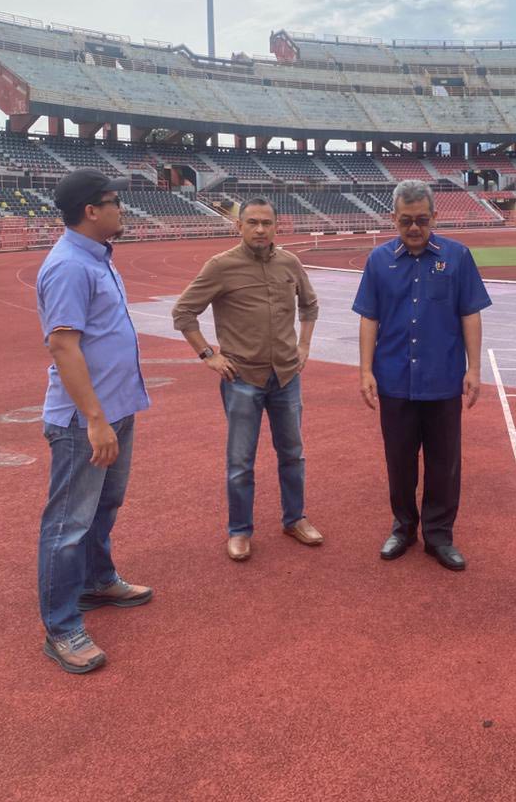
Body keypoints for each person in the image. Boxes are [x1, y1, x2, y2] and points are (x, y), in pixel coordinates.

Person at [36, 169, 152, 675]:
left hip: (115, 409)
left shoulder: (98, 257)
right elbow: (64, 345)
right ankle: (62, 627)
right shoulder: (67, 267)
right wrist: (95, 420)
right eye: (114, 201)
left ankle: (95, 580)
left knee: (106, 502)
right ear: (91, 210)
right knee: (67, 523)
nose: (121, 208)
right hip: (86, 421)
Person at [352, 180, 492, 571]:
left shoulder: (458, 257)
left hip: (443, 378)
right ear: (393, 218)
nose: (414, 228)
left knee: (443, 460)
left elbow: (470, 313)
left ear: (435, 217)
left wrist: (474, 368)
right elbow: (369, 318)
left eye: (422, 220)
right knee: (399, 460)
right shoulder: (379, 261)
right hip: (394, 377)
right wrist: (365, 371)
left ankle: (439, 534)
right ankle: (403, 526)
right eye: (406, 221)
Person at [172, 197, 322, 561]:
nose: (259, 229)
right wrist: (209, 355)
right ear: (238, 226)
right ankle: (239, 531)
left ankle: (294, 518)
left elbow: (310, 304)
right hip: (242, 378)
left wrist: (304, 345)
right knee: (241, 462)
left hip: (286, 375)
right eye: (252, 222)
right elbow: (183, 312)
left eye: (266, 223)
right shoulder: (221, 267)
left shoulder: (289, 263)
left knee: (293, 454)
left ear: (276, 226)